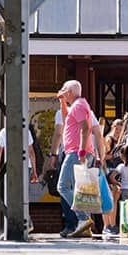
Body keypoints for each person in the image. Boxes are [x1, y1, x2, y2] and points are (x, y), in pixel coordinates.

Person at [55, 80, 95, 238]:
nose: (62, 92)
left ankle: (84, 218)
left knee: (63, 186)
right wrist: (61, 102)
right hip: (76, 151)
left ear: (70, 92)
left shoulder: (78, 105)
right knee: (78, 189)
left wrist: (82, 151)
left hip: (76, 152)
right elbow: (66, 120)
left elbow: (85, 128)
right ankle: (84, 224)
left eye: (64, 90)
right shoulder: (78, 105)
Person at [0, 124, 38, 233]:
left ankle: (15, 224)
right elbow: (31, 151)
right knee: (24, 195)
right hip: (25, 166)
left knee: (11, 195)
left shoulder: (4, 131)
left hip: (10, 167)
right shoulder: (26, 131)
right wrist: (34, 170)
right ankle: (27, 222)